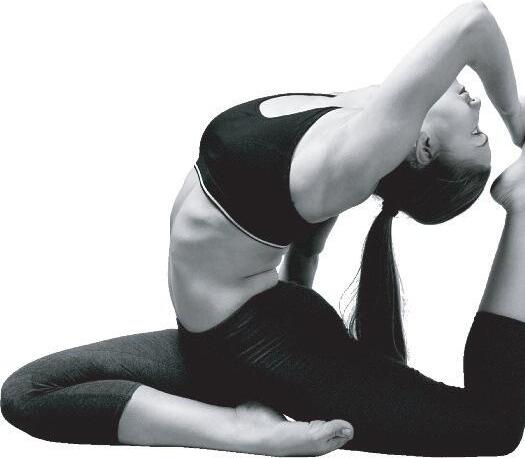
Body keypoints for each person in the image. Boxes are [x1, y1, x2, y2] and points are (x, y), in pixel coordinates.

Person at [2, 1, 525, 456]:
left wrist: (518, 122)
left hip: (257, 344)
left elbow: (471, 22)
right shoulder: (356, 110)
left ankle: (522, 206)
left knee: (494, 428)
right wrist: (301, 288)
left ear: (422, 148)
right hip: (231, 337)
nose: (477, 104)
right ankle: (242, 417)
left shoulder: (355, 157)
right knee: (28, 391)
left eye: (476, 133)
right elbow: (307, 232)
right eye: (483, 131)